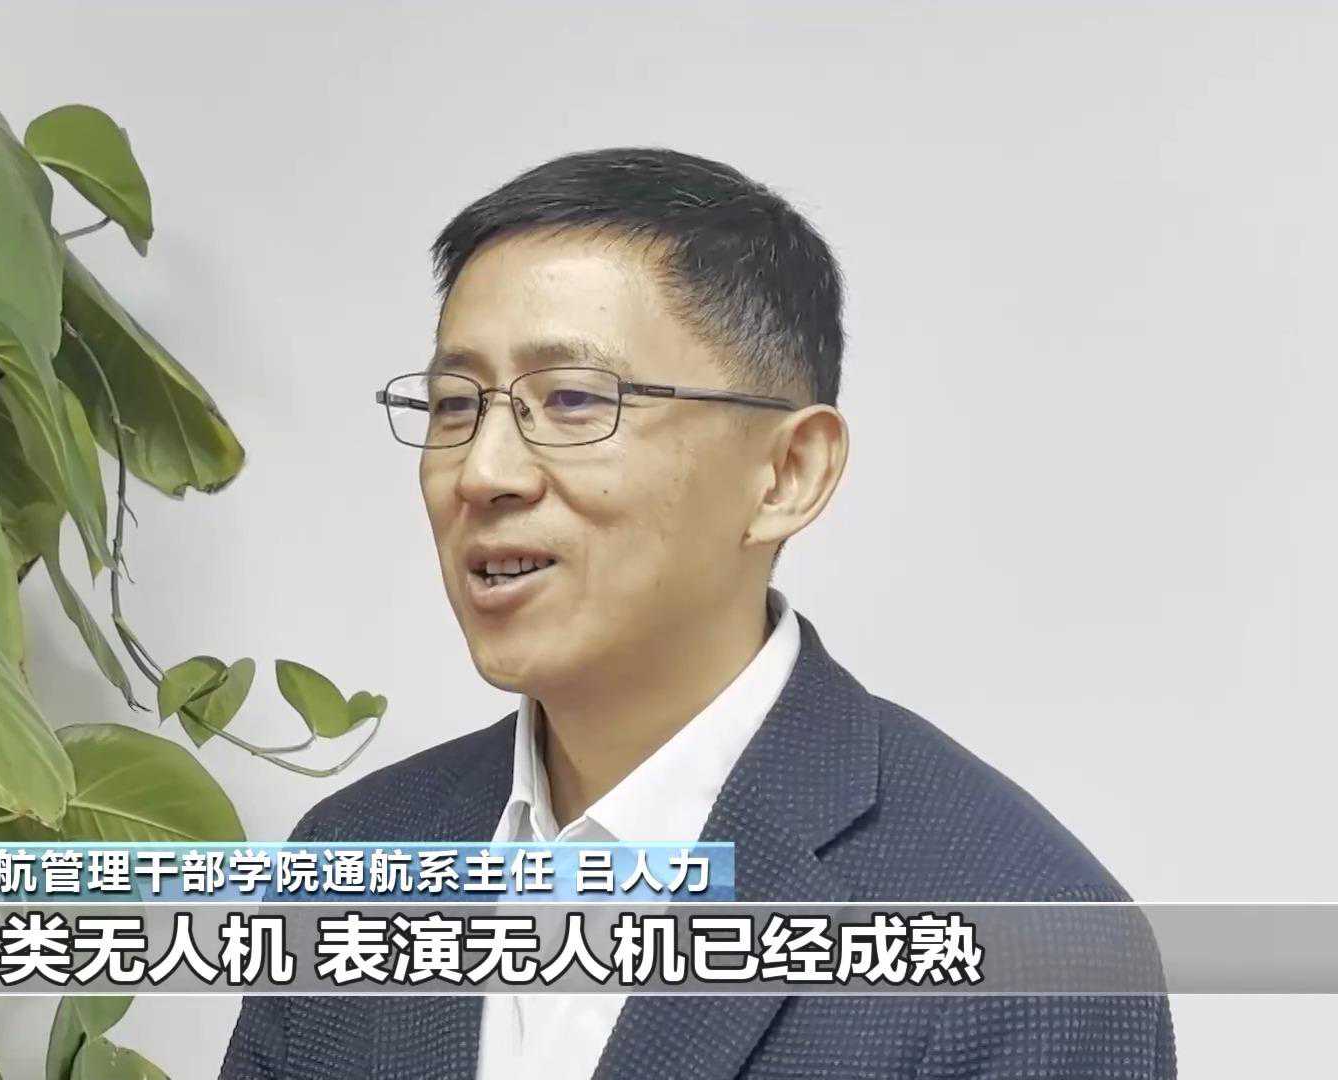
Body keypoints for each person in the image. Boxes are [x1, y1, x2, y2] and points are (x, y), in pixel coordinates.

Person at [222, 147, 1175, 1078]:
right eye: (453, 405)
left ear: (787, 473)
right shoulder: (356, 855)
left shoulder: (1033, 949)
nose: (483, 472)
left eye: (573, 399)